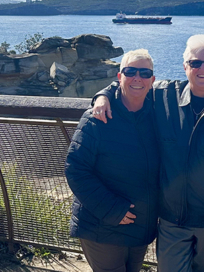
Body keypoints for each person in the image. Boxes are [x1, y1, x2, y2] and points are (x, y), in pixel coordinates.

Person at [91, 35, 204, 272]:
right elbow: (132, 84)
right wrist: (103, 94)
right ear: (185, 67)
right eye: (195, 63)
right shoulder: (164, 95)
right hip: (172, 220)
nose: (202, 68)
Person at [65, 49, 160, 272]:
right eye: (130, 71)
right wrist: (111, 209)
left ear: (152, 80)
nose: (138, 78)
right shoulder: (97, 118)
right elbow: (76, 169)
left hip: (140, 225)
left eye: (145, 73)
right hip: (102, 224)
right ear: (119, 77)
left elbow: (191, 91)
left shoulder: (158, 114)